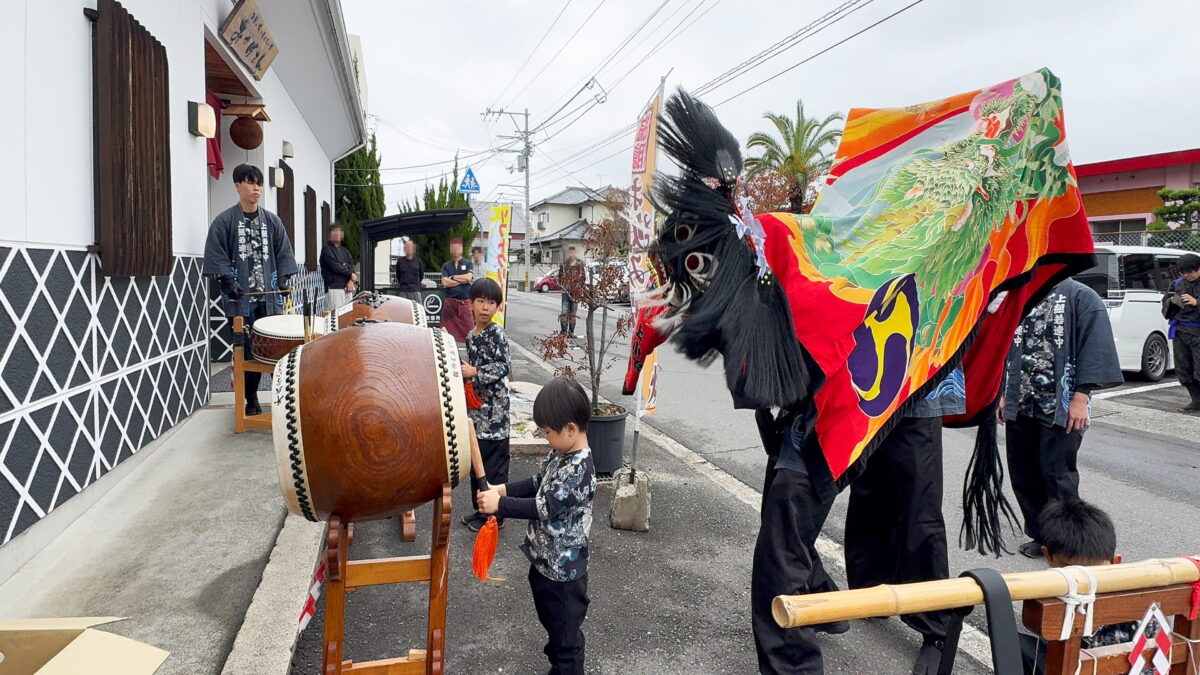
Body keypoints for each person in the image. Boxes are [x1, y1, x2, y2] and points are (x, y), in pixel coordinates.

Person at [843, 367, 964, 674]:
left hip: (920, 380)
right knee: (867, 495)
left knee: (918, 508)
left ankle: (937, 630)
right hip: (868, 385)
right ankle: (869, 590)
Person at [477, 377, 596, 675]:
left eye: (547, 432)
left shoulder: (579, 470)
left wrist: (500, 505)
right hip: (544, 563)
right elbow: (536, 483)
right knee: (554, 629)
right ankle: (558, 664)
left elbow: (544, 507)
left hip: (564, 575)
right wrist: (502, 489)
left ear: (570, 428)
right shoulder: (561, 453)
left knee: (567, 638)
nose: (545, 437)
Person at [999, 278, 1122, 558]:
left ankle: (1066, 542)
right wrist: (1004, 392)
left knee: (1058, 475)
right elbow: (1005, 346)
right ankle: (1040, 536)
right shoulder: (1022, 293)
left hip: (1061, 402)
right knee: (1023, 473)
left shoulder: (1081, 296)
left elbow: (1095, 348)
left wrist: (1081, 398)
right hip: (1022, 400)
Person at [203, 163, 298, 416]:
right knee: (244, 351)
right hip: (240, 301)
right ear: (237, 186)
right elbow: (217, 255)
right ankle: (250, 397)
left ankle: (275, 396)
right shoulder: (224, 221)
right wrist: (227, 280)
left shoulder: (272, 221)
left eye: (258, 183)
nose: (256, 188)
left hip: (269, 302)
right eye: (250, 183)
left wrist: (283, 280)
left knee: (269, 349)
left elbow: (284, 253)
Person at [1019, 499, 1132, 675]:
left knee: (1014, 646)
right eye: (1072, 573)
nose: (1083, 584)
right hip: (1093, 659)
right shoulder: (1144, 590)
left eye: (1093, 575)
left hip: (1092, 664)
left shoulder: (1130, 603)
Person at [461, 278, 511, 532]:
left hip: (495, 412)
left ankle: (496, 515)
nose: (485, 307)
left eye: (491, 302)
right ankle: (480, 509)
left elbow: (503, 366)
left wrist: (474, 372)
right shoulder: (471, 335)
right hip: (477, 410)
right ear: (471, 304)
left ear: (497, 307)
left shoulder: (496, 333)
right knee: (477, 462)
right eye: (480, 301)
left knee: (494, 466)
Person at [1164, 253, 1200, 412]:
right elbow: (1166, 305)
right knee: (1183, 368)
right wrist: (1172, 302)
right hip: (1180, 331)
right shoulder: (1177, 284)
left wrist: (1196, 302)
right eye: (1184, 273)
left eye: (1191, 272)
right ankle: (1196, 400)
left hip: (1198, 331)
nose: (1188, 275)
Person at [440, 237, 474, 342]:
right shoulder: (446, 265)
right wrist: (462, 280)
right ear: (450, 249)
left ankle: (472, 354)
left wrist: (453, 277)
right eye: (453, 247)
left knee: (470, 332)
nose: (455, 250)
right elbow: (445, 282)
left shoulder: (468, 263)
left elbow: (469, 277)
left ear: (462, 249)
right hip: (450, 304)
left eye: (458, 247)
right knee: (445, 333)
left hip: (464, 304)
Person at [319, 222, 356, 310]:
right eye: (334, 231)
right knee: (335, 317)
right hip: (334, 289)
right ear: (330, 234)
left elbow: (351, 266)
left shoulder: (345, 251)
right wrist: (350, 274)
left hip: (348, 289)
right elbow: (335, 267)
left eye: (339, 231)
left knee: (347, 316)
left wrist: (351, 281)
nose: (337, 234)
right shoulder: (326, 249)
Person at [558, 247, 585, 337]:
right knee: (564, 311)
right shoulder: (564, 264)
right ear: (568, 253)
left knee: (573, 312)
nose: (571, 254)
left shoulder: (580, 263)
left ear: (575, 253)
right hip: (566, 290)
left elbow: (583, 278)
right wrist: (561, 287)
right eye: (570, 253)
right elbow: (560, 276)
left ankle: (571, 332)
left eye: (573, 252)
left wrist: (581, 288)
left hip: (575, 291)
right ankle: (563, 331)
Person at [394, 239, 425, 304]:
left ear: (413, 249)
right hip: (403, 291)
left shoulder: (418, 261)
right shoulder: (400, 261)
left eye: (410, 247)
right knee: (403, 311)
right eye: (407, 247)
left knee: (418, 310)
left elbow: (421, 275)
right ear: (404, 249)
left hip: (416, 291)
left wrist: (415, 285)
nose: (409, 249)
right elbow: (398, 275)